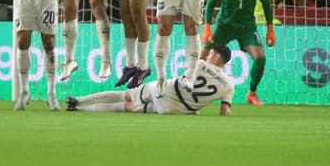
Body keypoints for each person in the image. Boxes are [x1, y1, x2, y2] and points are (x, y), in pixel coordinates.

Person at [66, 46, 234, 116]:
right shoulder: (229, 85)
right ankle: (80, 109)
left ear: (217, 57)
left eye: (210, 54)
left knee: (124, 96)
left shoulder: (200, 63)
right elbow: (225, 111)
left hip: (164, 90)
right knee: (126, 108)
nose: (207, 56)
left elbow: (184, 79)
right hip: (175, 109)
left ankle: (78, 102)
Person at [202, 0, 276, 105]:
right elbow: (210, 4)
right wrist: (207, 28)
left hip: (246, 28)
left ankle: (252, 94)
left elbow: (267, 5)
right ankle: (189, 84)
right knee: (202, 55)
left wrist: (270, 29)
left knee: (260, 58)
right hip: (224, 26)